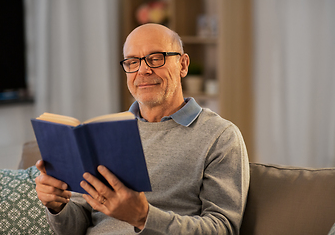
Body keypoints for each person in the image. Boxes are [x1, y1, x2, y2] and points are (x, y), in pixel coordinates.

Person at [35, 23, 250, 235]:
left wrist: (143, 216)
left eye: (156, 58)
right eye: (132, 61)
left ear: (183, 65)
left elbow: (223, 228)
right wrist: (57, 205)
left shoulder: (220, 136)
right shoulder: (106, 133)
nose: (143, 70)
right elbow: (76, 226)